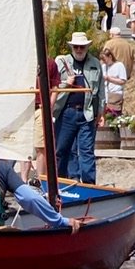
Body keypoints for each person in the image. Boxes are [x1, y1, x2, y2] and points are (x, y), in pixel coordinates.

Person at [52, 32, 102, 183]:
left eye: (82, 47)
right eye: (76, 47)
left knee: (86, 151)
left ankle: (89, 185)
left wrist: (100, 112)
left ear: (87, 47)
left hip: (87, 112)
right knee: (62, 149)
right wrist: (66, 83)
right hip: (66, 111)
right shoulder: (61, 62)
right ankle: (60, 182)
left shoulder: (95, 63)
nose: (79, 50)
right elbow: (54, 87)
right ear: (72, 47)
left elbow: (101, 90)